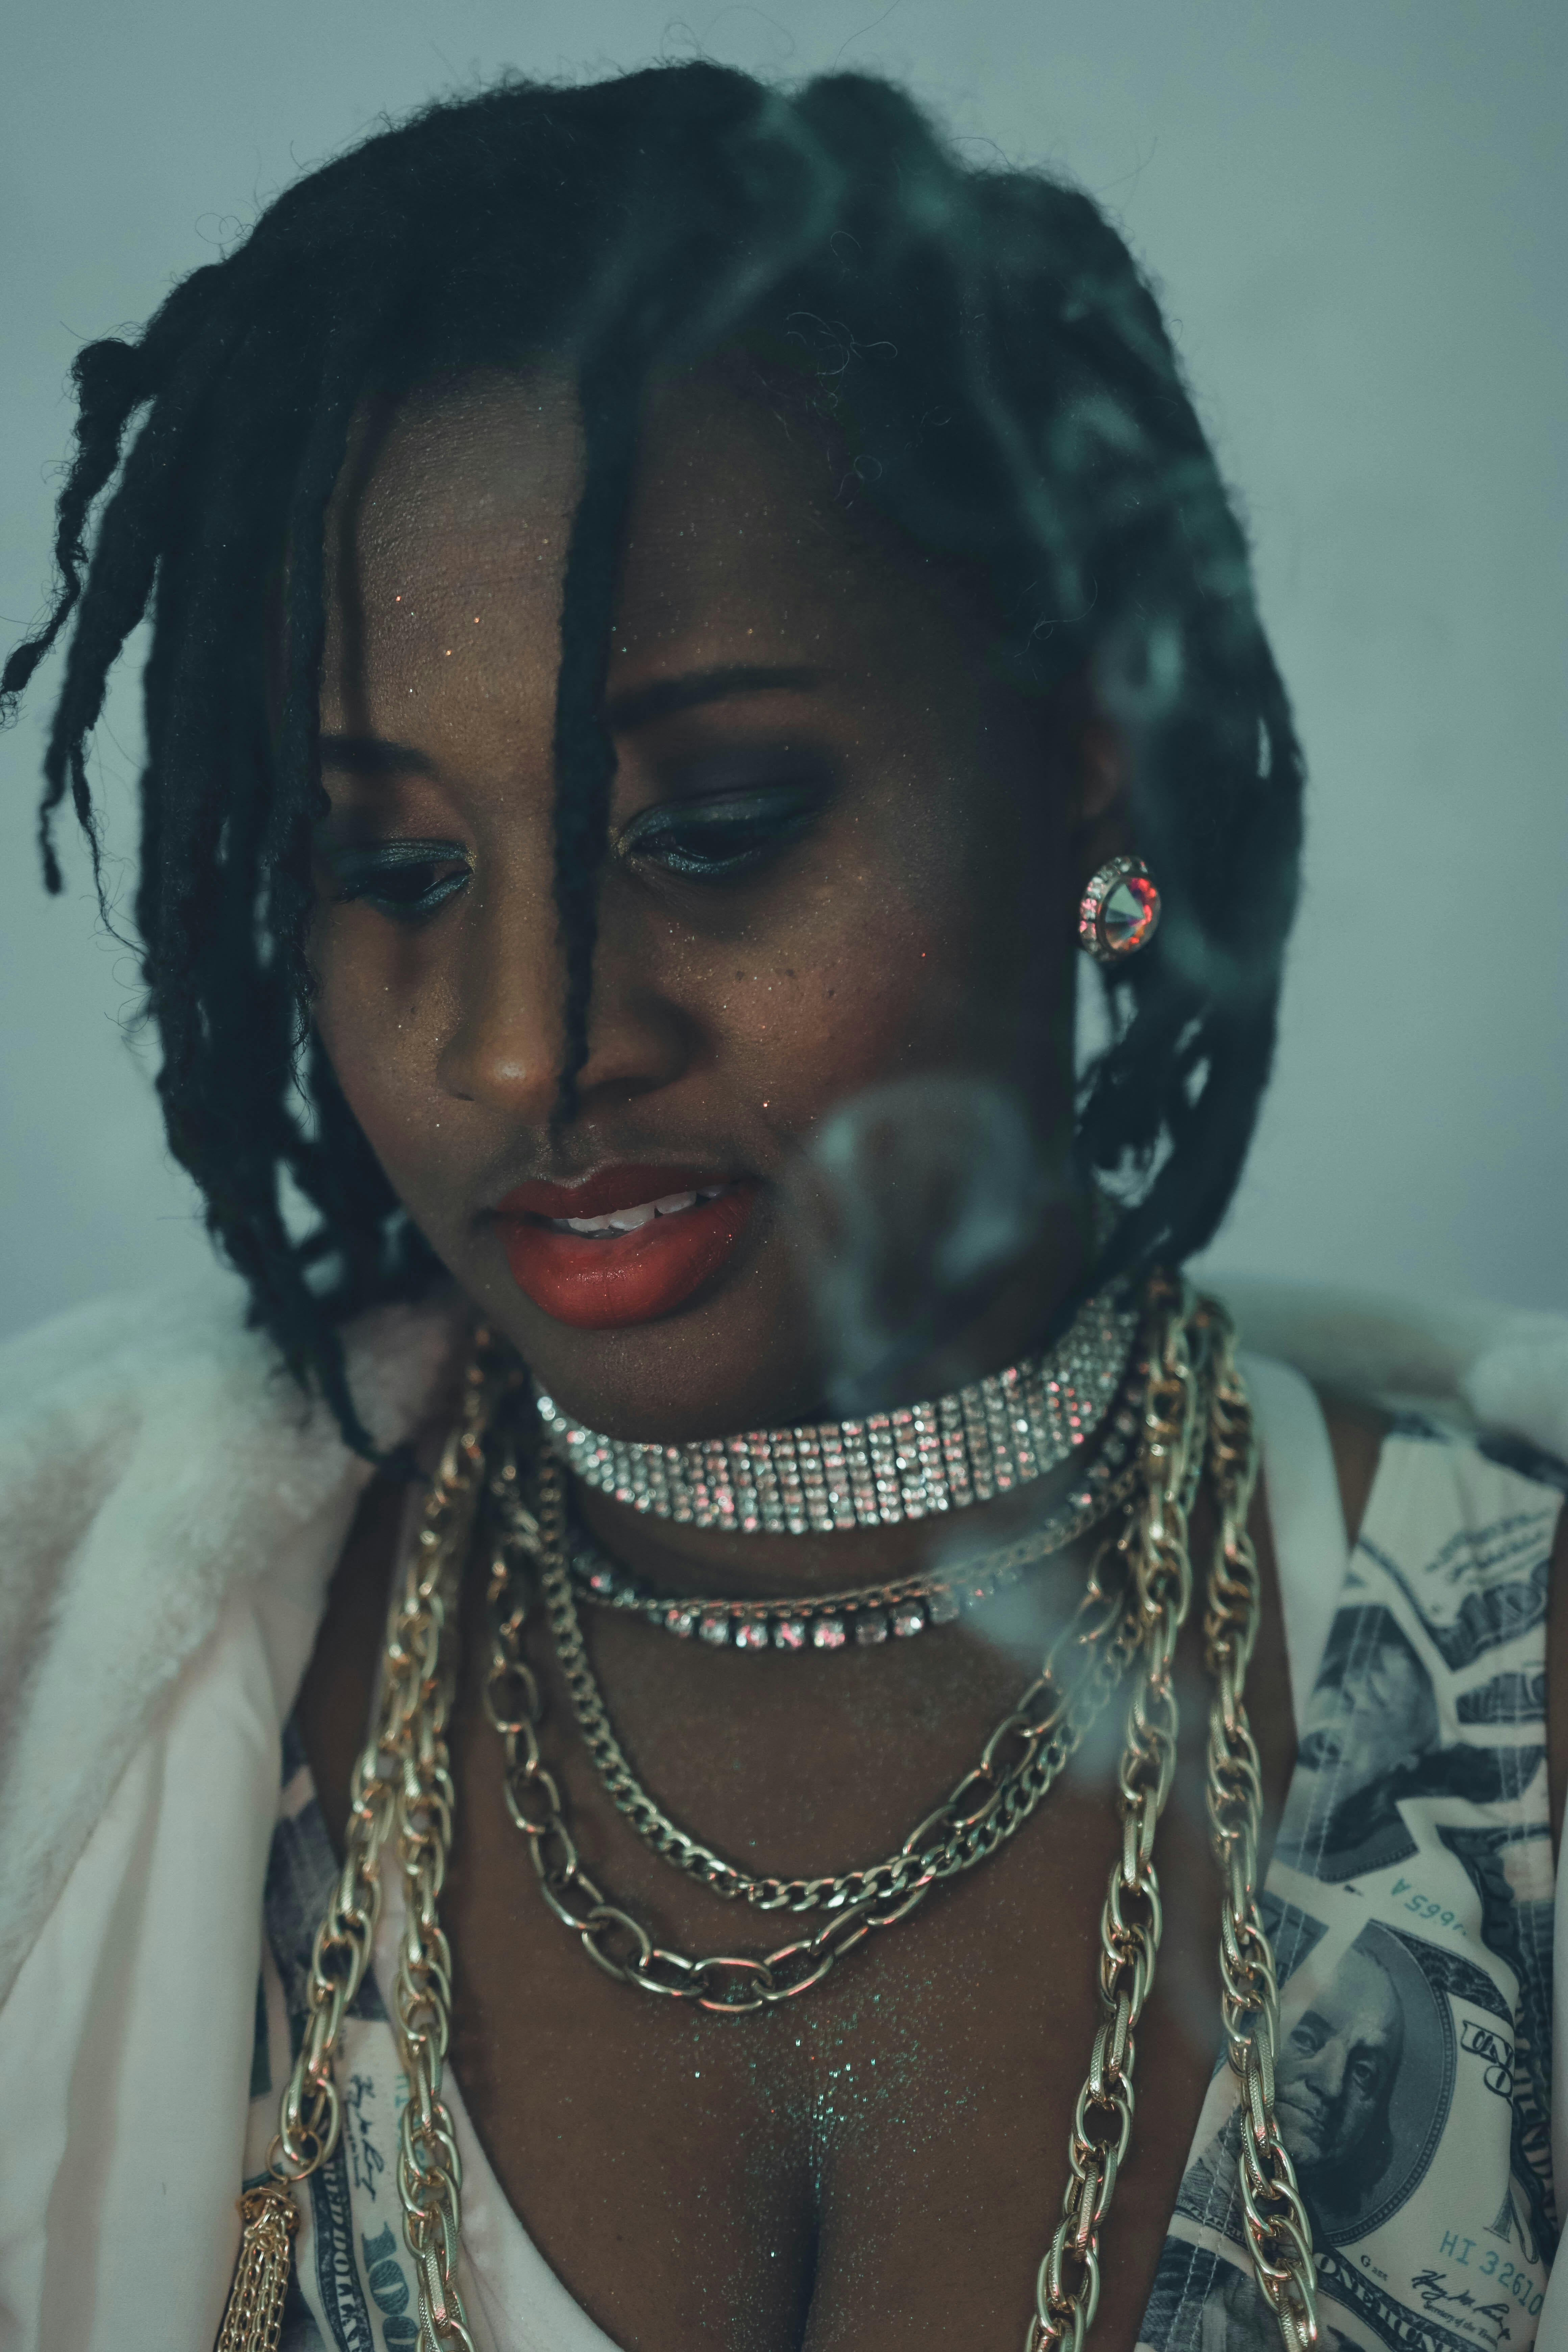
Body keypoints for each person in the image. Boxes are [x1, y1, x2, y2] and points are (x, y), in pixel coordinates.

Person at [0, 60, 1564, 2352]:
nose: (530, 1046)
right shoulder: (81, 1685)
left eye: (712, 825)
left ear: (1086, 748)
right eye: (396, 871)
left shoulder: (1510, 1713)